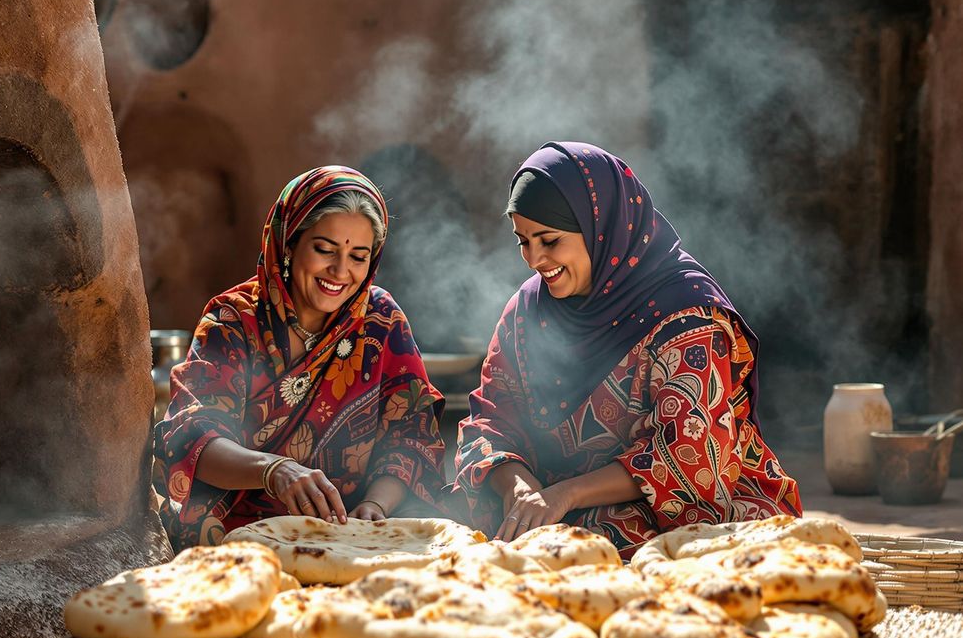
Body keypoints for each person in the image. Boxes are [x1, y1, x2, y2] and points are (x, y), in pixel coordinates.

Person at [453, 141, 801, 558]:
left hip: (694, 514)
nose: (534, 260)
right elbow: (491, 420)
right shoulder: (527, 313)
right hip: (557, 511)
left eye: (549, 240)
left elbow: (688, 458)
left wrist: (565, 494)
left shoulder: (684, 315)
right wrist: (520, 488)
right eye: (523, 241)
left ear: (601, 229)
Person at [153, 166, 448, 549]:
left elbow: (411, 434)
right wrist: (274, 470)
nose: (340, 271)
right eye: (325, 250)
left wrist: (376, 504)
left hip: (350, 539)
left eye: (358, 256)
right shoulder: (233, 320)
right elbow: (193, 435)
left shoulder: (380, 323)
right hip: (232, 541)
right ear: (289, 243)